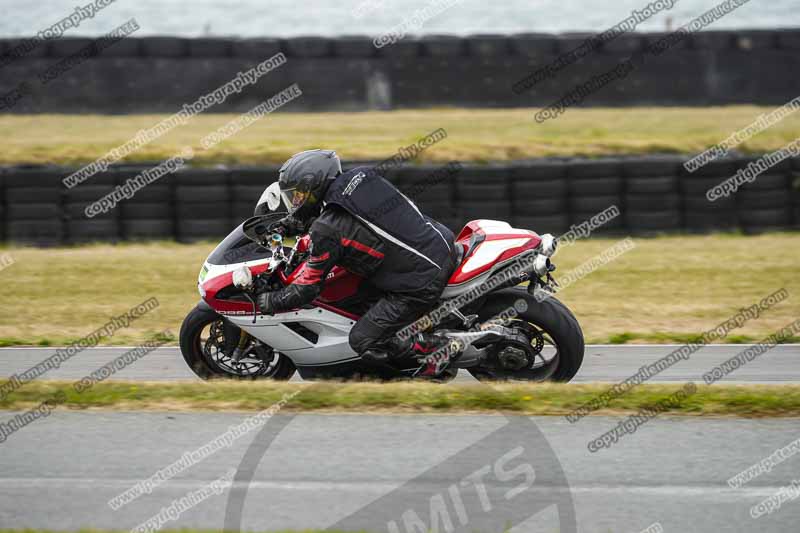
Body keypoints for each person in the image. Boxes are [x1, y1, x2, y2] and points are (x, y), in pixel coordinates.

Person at [256, 149, 459, 376]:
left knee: (364, 340)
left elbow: (307, 289)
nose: (296, 201)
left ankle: (439, 350)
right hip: (439, 242)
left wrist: (271, 302)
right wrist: (288, 224)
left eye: (298, 194)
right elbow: (340, 216)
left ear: (314, 185)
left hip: (421, 279)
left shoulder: (327, 229)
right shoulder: (360, 178)